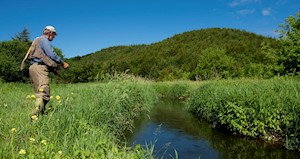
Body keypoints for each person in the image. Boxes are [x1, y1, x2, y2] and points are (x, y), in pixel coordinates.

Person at [28, 25, 69, 120]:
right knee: (44, 92)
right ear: (50, 33)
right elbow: (51, 55)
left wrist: (53, 70)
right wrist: (62, 63)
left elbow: (42, 57)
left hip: (33, 68)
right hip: (40, 68)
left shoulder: (37, 40)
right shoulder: (44, 40)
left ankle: (40, 115)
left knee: (39, 92)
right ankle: (34, 116)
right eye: (54, 35)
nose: (54, 37)